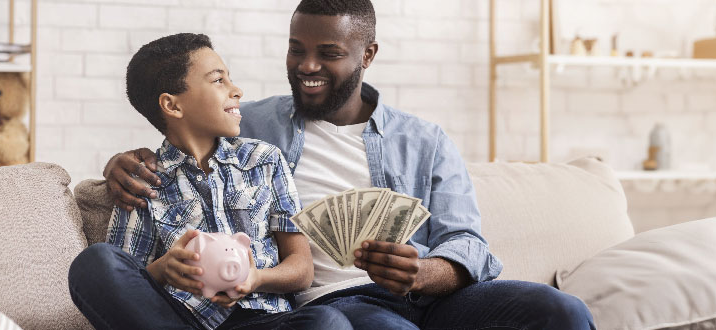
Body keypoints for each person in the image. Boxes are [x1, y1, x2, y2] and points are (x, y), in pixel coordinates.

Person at [100, 1, 596, 329]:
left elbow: (467, 243)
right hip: (337, 305)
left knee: (560, 311)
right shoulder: (249, 125)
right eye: (297, 49)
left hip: (436, 300)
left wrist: (422, 272)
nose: (307, 66)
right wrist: (121, 164)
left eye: (328, 53)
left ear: (368, 54)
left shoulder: (424, 140)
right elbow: (180, 135)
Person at [67, 33, 351, 330]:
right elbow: (127, 281)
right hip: (182, 319)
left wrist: (256, 278)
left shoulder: (265, 160)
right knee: (94, 263)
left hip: (264, 320)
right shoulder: (143, 181)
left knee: (327, 321)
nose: (236, 90)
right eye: (219, 80)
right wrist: (164, 270)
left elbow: (302, 269)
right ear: (172, 105)